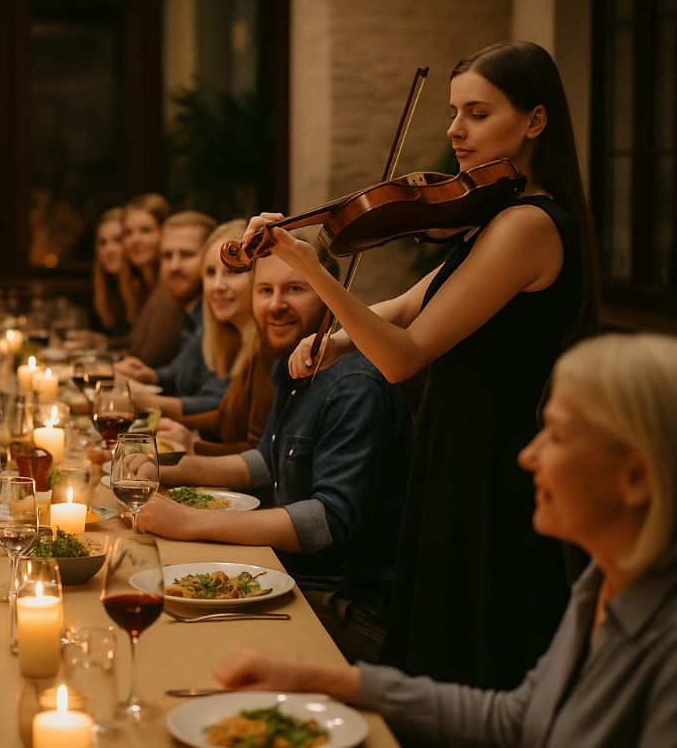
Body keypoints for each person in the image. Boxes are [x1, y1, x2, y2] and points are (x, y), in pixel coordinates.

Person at [241, 41, 600, 688]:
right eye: (452, 112)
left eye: (477, 112)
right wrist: (340, 342)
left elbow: (404, 357)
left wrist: (305, 267)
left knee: (473, 652)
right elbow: (410, 303)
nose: (454, 130)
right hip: (458, 450)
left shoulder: (529, 226)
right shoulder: (493, 218)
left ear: (535, 121)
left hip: (494, 465)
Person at [213, 333, 677, 748]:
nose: (528, 455)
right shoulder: (601, 582)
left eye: (556, 435)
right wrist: (314, 677)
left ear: (636, 476)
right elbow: (513, 720)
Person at [138, 247, 411, 662]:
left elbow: (329, 519)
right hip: (285, 574)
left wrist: (192, 521)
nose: (276, 304)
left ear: (328, 297)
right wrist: (170, 469)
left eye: (295, 289)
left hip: (341, 606)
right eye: (265, 290)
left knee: (176, 644)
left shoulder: (356, 382)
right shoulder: (293, 364)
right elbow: (267, 460)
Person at [155, 219, 276, 455]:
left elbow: (263, 457)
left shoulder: (269, 346)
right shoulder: (237, 340)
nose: (217, 286)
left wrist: (194, 446)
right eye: (210, 273)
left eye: (232, 272)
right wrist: (156, 427)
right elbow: (225, 417)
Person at [116, 211, 226, 417]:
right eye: (167, 256)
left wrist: (145, 402)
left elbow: (220, 403)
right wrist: (152, 376)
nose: (174, 266)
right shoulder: (192, 311)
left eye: (187, 255)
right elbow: (182, 369)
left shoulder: (223, 315)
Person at [121, 192, 186, 366]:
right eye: (128, 233)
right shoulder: (142, 285)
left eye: (146, 230)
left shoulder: (172, 289)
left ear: (165, 233)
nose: (135, 240)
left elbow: (150, 360)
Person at [91, 206, 128, 336]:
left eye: (117, 240)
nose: (109, 250)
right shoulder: (108, 289)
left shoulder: (142, 289)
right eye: (102, 243)